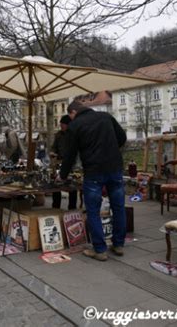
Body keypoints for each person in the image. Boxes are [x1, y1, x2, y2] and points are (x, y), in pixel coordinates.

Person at [60, 102, 127, 261]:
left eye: (70, 115)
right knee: (118, 208)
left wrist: (63, 174)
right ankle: (118, 245)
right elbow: (122, 138)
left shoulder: (75, 125)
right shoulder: (106, 117)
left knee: (93, 210)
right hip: (114, 167)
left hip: (94, 171)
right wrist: (109, 149)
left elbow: (70, 154)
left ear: (74, 112)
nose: (70, 119)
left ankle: (100, 250)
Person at [51, 115, 77, 210]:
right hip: (60, 162)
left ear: (68, 125)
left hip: (71, 164)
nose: (61, 126)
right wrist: (53, 152)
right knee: (56, 185)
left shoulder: (73, 135)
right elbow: (54, 147)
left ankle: (72, 208)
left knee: (72, 186)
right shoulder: (58, 135)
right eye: (60, 124)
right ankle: (56, 207)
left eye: (63, 124)